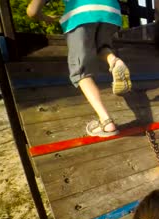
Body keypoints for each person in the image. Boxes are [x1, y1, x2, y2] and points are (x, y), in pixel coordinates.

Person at [26, 0, 132, 137]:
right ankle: (114, 61)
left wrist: (47, 18)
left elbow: (32, 11)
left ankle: (106, 122)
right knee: (101, 47)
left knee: (81, 72)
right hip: (111, 12)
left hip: (81, 13)